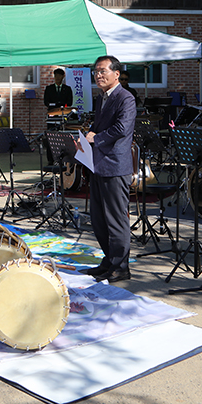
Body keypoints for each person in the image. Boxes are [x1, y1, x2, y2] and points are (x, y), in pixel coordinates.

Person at [82, 55, 136, 283]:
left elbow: (122, 128)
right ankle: (109, 260)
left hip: (115, 165)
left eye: (103, 71)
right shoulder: (101, 98)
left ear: (117, 74)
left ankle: (121, 266)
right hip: (97, 164)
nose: (99, 75)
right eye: (96, 71)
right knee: (98, 218)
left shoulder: (126, 98)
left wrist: (97, 138)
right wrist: (86, 139)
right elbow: (98, 127)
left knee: (116, 219)